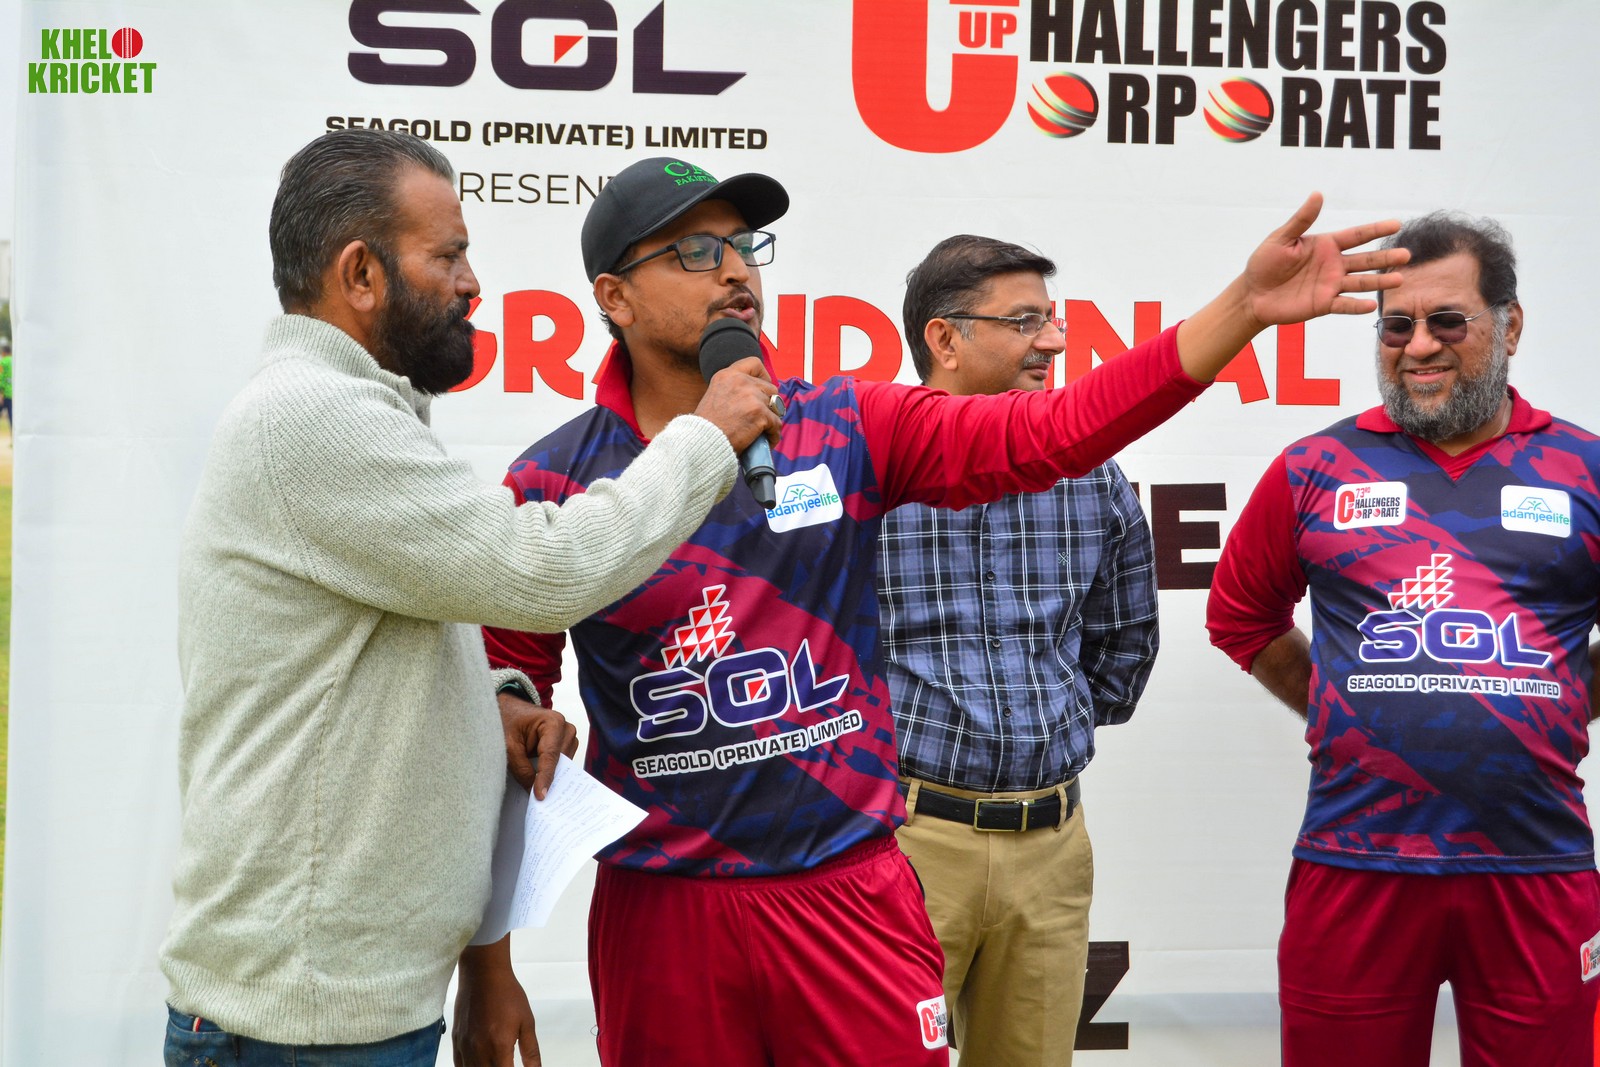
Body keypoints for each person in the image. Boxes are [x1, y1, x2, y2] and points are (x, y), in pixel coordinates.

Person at [472, 154, 1407, 1066]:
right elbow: (493, 704)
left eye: (743, 245)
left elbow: (1059, 430)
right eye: (692, 252)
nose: (733, 271)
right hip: (665, 906)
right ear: (615, 296)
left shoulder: (844, 426)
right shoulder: (551, 480)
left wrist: (1243, 308)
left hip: (848, 890)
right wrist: (489, 958)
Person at [159, 130, 781, 1067]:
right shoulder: (314, 416)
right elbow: (544, 569)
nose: (471, 283)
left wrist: (494, 702)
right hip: (303, 1022)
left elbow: (368, 650)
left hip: (338, 1003)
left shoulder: (352, 409)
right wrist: (703, 439)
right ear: (361, 274)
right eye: (446, 256)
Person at [1206, 211, 1600, 1067]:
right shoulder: (1314, 469)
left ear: (1510, 326)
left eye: (1447, 321)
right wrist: (1340, 702)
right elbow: (1239, 614)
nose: (1419, 346)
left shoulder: (1585, 469)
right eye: (1396, 326)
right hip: (1357, 861)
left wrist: (1564, 697)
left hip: (1535, 864)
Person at [877, 235, 1158, 1065]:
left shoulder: (1092, 473)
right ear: (944, 338)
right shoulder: (866, 469)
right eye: (1026, 321)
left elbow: (1124, 641)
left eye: (1054, 319)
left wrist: (1046, 727)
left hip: (1052, 845)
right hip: (902, 842)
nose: (1054, 341)